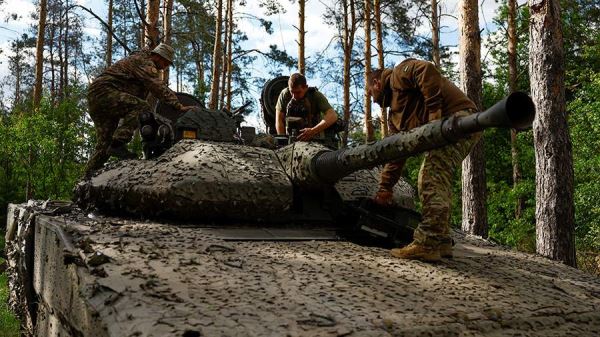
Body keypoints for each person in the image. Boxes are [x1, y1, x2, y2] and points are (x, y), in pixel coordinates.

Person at [367, 58, 480, 262]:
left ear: (376, 83)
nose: (373, 99)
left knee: (431, 177)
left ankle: (427, 244)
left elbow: (425, 69)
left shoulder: (397, 75)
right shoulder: (395, 117)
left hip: (459, 120)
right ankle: (442, 240)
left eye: (370, 92)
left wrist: (434, 113)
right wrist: (385, 187)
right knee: (438, 178)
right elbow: (397, 151)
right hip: (452, 127)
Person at [83, 43, 193, 177]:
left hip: (98, 98)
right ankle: (119, 143)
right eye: (167, 63)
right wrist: (178, 105)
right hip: (105, 93)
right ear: (159, 57)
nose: (166, 67)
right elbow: (156, 85)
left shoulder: (140, 61)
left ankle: (86, 179)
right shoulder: (143, 62)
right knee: (142, 107)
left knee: (104, 145)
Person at [275, 73, 338, 142]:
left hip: (314, 139)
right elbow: (279, 119)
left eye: (298, 92)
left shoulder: (315, 95)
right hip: (290, 138)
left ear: (306, 88)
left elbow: (332, 115)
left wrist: (313, 131)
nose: (294, 96)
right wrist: (283, 140)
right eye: (292, 92)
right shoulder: (284, 95)